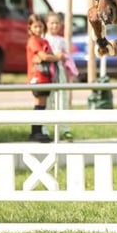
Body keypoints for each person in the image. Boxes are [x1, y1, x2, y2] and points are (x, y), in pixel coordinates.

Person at [26, 13, 61, 143]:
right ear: (30, 28)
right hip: (37, 77)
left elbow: (47, 55)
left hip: (46, 77)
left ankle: (39, 132)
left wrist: (49, 56)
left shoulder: (44, 41)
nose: (38, 29)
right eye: (35, 27)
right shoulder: (33, 41)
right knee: (38, 104)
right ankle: (35, 132)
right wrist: (56, 58)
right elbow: (45, 56)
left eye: (40, 26)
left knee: (43, 105)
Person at [45, 11, 78, 140]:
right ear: (47, 24)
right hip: (48, 73)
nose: (54, 26)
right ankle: (45, 129)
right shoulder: (44, 39)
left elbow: (68, 57)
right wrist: (55, 57)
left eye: (57, 23)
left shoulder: (62, 40)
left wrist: (64, 58)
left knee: (62, 100)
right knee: (48, 101)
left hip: (60, 72)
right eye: (52, 23)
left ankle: (65, 128)